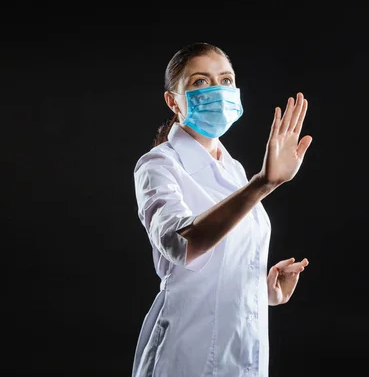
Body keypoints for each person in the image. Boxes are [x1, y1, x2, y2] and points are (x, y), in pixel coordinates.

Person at [131, 42, 312, 377]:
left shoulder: (235, 170)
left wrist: (266, 290)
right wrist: (263, 184)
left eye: (226, 80)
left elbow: (221, 268)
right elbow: (182, 244)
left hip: (245, 352)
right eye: (200, 82)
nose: (218, 90)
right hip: (187, 354)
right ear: (173, 101)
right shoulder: (158, 165)